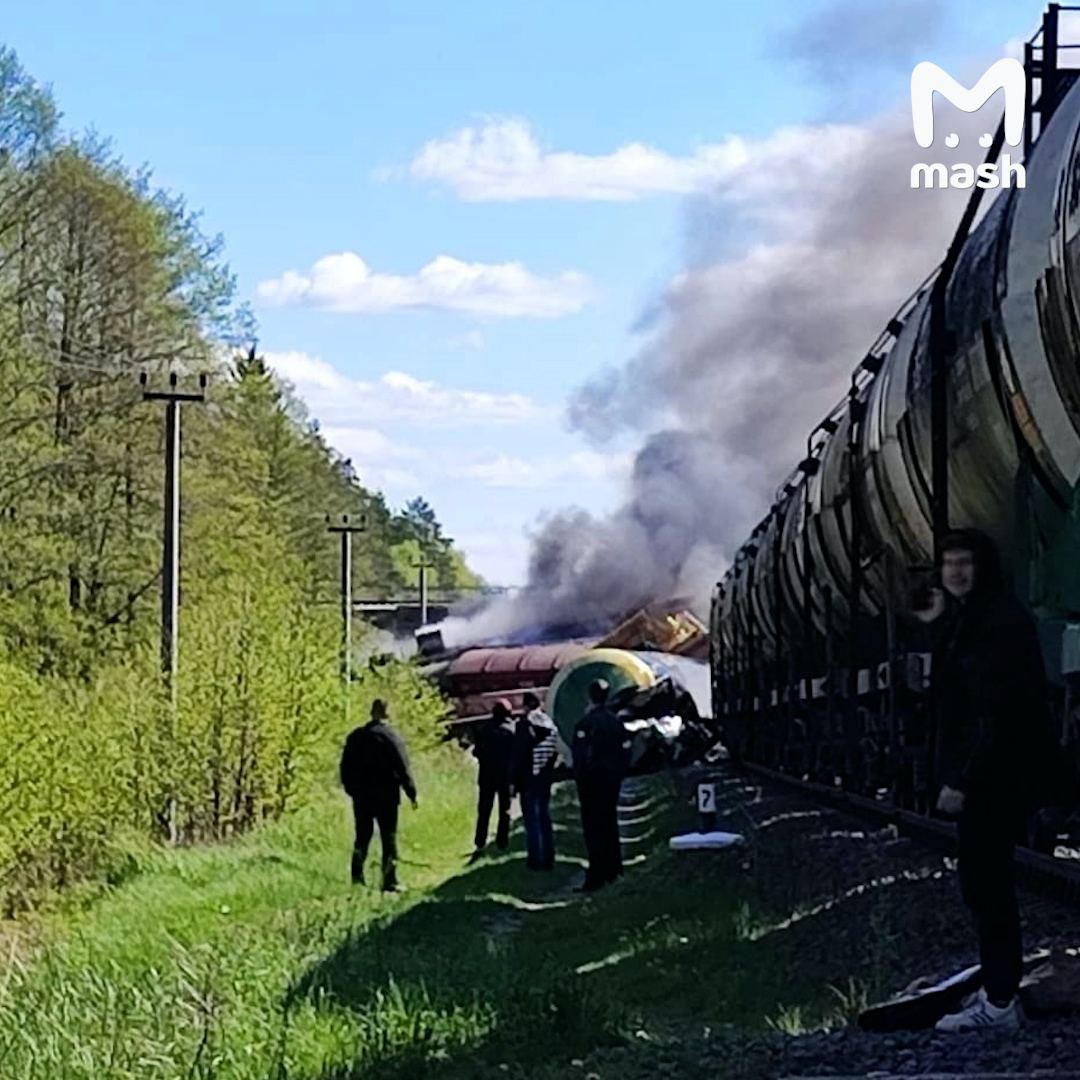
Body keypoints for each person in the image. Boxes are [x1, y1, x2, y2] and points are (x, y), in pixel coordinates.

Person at [913, 528, 1055, 1033]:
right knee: (982, 885)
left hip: (993, 777)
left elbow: (990, 711)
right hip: (992, 774)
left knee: (987, 886)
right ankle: (998, 992)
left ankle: (998, 1003)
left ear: (984, 567)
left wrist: (963, 780)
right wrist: (936, 627)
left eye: (965, 562)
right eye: (948, 562)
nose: (954, 571)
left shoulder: (996, 624)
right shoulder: (977, 618)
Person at [339, 698, 417, 893]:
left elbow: (345, 767)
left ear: (371, 712)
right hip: (386, 795)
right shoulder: (390, 737)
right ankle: (389, 879)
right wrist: (411, 792)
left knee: (362, 836)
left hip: (362, 796)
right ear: (387, 713)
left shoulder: (356, 737)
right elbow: (402, 766)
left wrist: (351, 789)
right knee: (388, 837)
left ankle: (357, 878)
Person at [573, 679, 631, 892]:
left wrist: (581, 778)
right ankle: (615, 870)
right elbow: (626, 749)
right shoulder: (616, 722)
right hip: (612, 781)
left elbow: (579, 757)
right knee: (610, 824)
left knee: (593, 828)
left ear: (590, 697)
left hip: (592, 782)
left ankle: (596, 875)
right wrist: (619, 772)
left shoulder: (586, 724)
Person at [512, 692, 567, 871]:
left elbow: (519, 755)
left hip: (529, 778)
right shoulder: (549, 724)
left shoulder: (525, 724)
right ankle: (549, 856)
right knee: (544, 816)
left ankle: (536, 860)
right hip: (545, 777)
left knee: (532, 820)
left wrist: (513, 780)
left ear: (525, 706)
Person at [472, 699, 517, 857]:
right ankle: (502, 842)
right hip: (505, 776)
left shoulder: (483, 730)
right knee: (505, 809)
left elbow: (476, 753)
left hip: (486, 775)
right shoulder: (512, 731)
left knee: (484, 810)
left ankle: (480, 842)